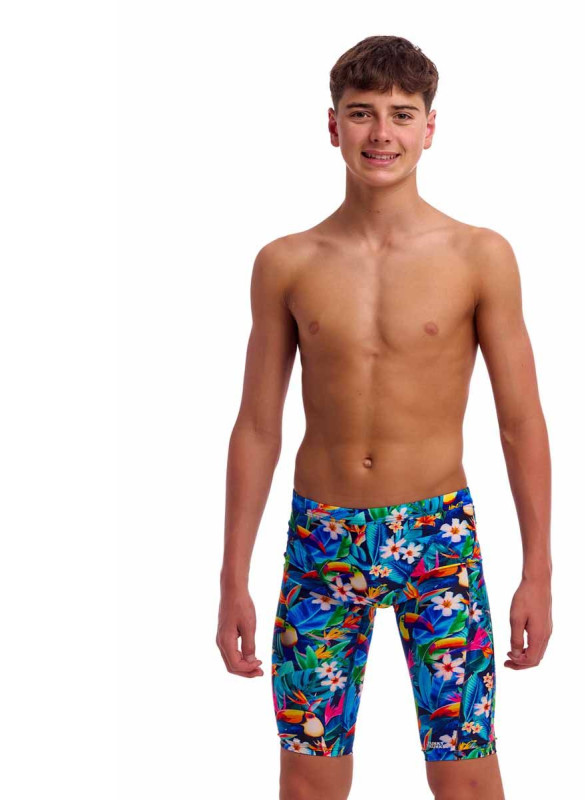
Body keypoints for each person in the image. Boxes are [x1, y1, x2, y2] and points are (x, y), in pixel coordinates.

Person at [216, 35, 552, 800]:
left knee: (466, 776)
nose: (381, 133)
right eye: (362, 112)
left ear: (430, 128)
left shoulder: (478, 256)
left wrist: (538, 570)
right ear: (332, 125)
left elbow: (521, 422)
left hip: (437, 540)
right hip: (322, 539)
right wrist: (233, 575)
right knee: (308, 779)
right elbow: (257, 426)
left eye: (402, 114)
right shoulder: (287, 263)